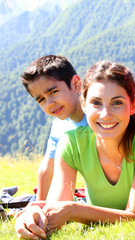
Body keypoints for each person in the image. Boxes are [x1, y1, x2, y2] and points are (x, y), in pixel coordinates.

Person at [14, 61, 135, 239]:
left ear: (133, 106)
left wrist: (74, 210)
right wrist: (34, 215)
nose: (105, 114)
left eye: (116, 102)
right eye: (96, 103)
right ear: (84, 104)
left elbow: (134, 214)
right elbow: (56, 205)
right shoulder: (71, 142)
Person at [20, 55, 88, 201]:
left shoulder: (100, 116)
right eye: (41, 99)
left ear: (76, 84)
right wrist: (40, 205)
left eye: (53, 92)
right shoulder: (60, 126)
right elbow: (48, 167)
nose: (49, 103)